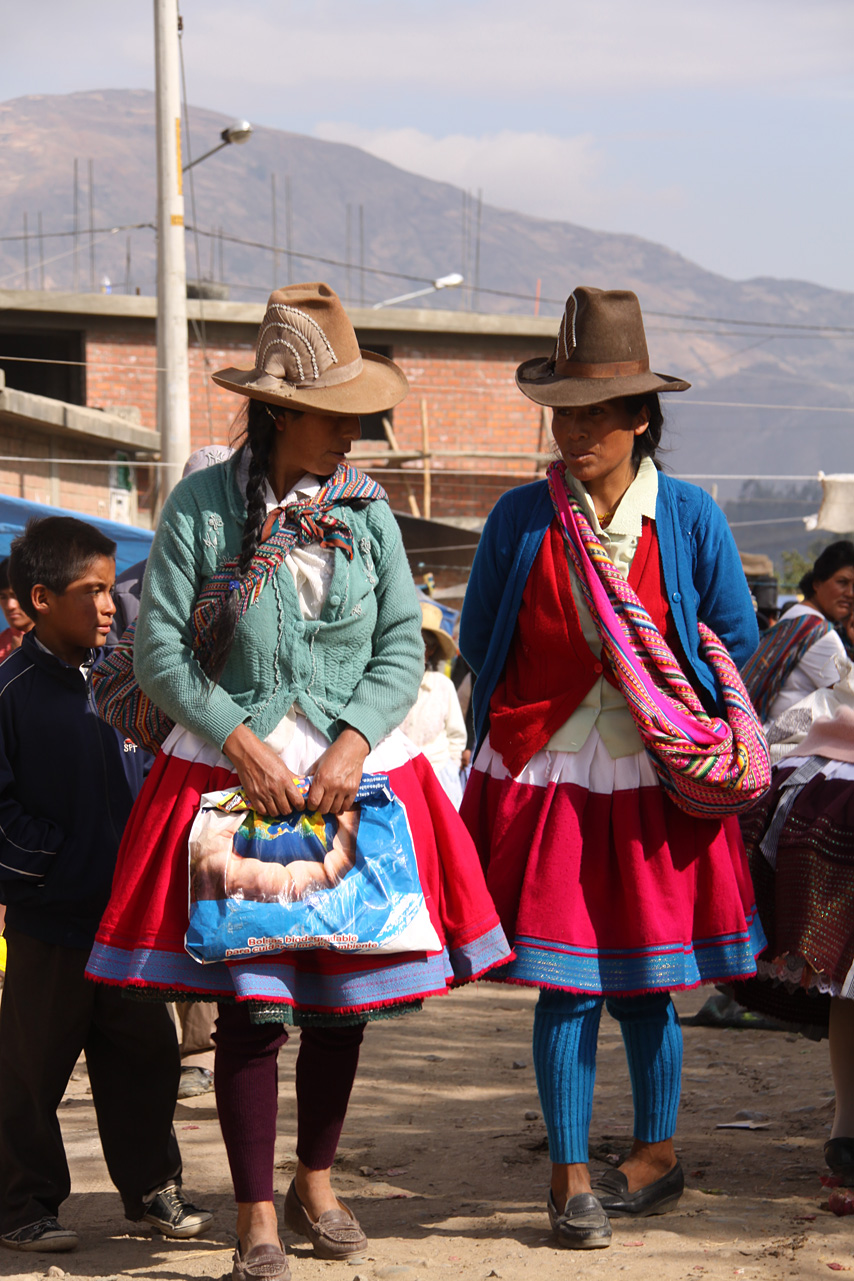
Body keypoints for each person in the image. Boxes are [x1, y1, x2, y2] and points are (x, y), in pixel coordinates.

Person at [85, 283, 511, 1281]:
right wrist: (241, 742)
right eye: (334, 415)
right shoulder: (200, 506)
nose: (350, 432)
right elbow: (158, 650)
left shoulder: (365, 515)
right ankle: (254, 1216)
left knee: (338, 1001)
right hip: (229, 779)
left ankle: (316, 1177)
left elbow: (404, 643)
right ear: (280, 412)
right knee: (254, 1004)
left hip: (345, 781)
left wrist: (354, 742)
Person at [459, 286, 764, 1250]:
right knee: (566, 980)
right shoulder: (520, 517)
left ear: (640, 417)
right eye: (564, 413)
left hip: (653, 779)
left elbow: (734, 633)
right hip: (551, 773)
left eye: (596, 413)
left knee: (646, 978)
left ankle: (659, 1153)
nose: (575, 432)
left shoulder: (688, 516)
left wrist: (662, 693)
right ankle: (569, 1173)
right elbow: (480, 637)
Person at [0, 517, 210, 1253]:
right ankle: (23, 1203)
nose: (109, 605)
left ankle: (153, 1189)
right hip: (49, 926)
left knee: (145, 1060)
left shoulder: (129, 684)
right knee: (29, 1073)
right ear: (40, 598)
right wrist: (51, 863)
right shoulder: (11, 692)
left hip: (127, 926)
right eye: (91, 591)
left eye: (109, 588)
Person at [736, 705, 854, 1212]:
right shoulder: (821, 643)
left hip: (830, 786)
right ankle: (846, 1128)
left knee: (849, 974)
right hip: (834, 785)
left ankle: (847, 1129)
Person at [742, 542, 854, 727]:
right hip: (789, 746)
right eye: (842, 582)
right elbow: (849, 702)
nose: (850, 593)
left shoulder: (795, 617)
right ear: (817, 584)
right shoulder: (820, 633)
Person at [400, 600, 467, 806]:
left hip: (437, 779)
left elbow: (456, 736)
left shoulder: (442, 686)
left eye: (423, 641)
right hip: (396, 777)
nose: (416, 647)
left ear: (432, 649)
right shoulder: (389, 684)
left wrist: (450, 766)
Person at [0, 556, 34, 662]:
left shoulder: (56, 643)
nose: (10, 605)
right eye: (3, 597)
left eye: (16, 596)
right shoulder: (2, 641)